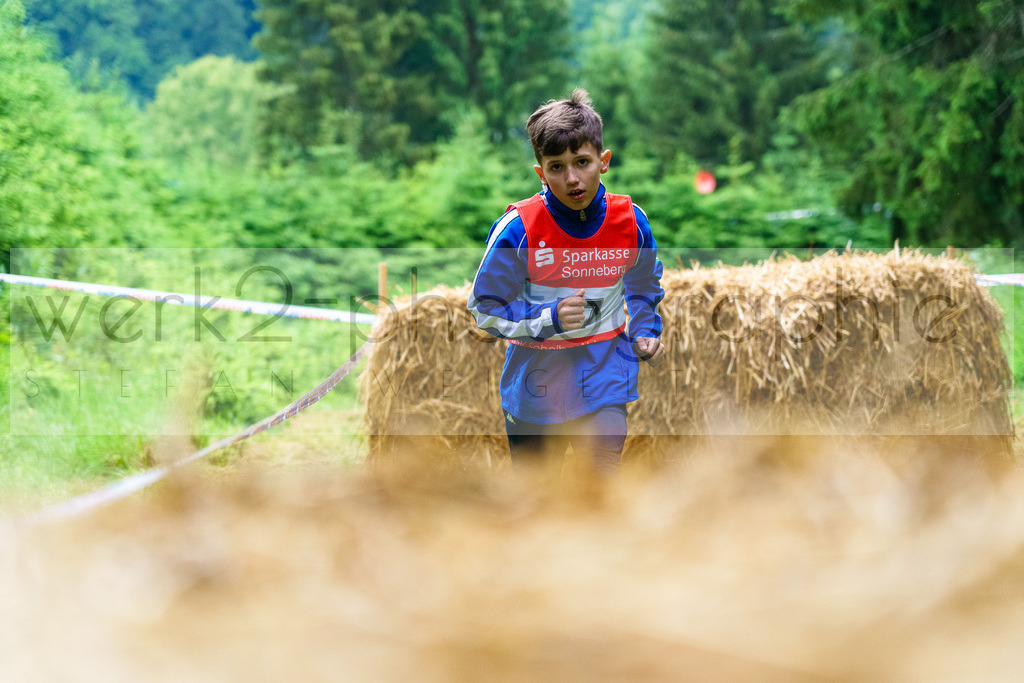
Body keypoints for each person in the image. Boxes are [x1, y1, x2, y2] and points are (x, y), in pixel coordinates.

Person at [468, 89, 665, 473]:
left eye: (582, 162)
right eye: (557, 167)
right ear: (541, 172)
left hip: (604, 377)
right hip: (534, 389)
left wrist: (646, 328)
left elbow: (644, 285)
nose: (572, 178)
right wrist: (549, 318)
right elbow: (484, 308)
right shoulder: (518, 228)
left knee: (600, 485)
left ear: (603, 161)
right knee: (538, 502)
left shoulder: (631, 220)